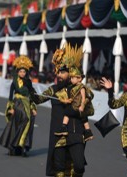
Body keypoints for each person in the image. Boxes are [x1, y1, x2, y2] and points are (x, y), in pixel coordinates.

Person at [31, 43, 92, 177]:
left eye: (62, 71)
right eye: (58, 71)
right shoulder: (53, 89)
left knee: (77, 167)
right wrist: (29, 89)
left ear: (71, 72)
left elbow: (88, 110)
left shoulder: (82, 91)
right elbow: (38, 99)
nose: (58, 74)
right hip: (58, 135)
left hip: (76, 134)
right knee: (59, 169)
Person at [0, 55, 37, 157]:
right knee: (14, 125)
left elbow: (31, 95)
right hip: (16, 104)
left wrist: (33, 108)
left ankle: (22, 147)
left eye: (24, 72)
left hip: (26, 104)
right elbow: (10, 96)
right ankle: (12, 148)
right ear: (17, 72)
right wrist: (10, 108)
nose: (22, 73)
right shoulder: (14, 82)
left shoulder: (28, 82)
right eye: (20, 71)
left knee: (27, 120)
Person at [54, 68, 94, 142]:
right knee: (84, 118)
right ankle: (88, 132)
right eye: (71, 78)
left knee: (67, 112)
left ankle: (64, 127)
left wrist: (82, 106)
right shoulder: (74, 87)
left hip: (76, 107)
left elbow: (83, 98)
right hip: (78, 108)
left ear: (79, 79)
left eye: (73, 78)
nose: (71, 80)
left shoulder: (81, 87)